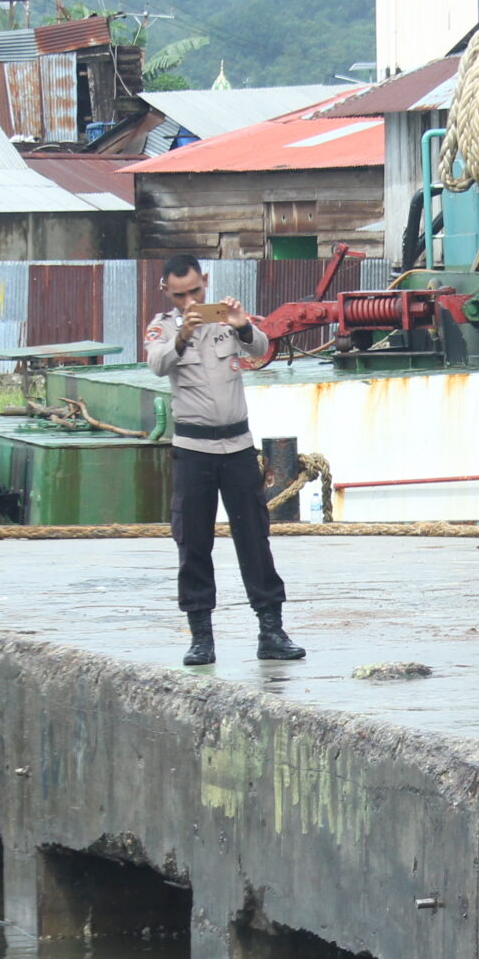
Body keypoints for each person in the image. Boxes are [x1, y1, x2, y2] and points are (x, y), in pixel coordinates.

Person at [145, 254, 304, 667]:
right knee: (193, 541)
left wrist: (242, 325)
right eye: (180, 294)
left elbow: (262, 349)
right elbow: (157, 364)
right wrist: (182, 334)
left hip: (236, 447)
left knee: (254, 537)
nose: (190, 300)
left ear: (206, 282)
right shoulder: (162, 327)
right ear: (166, 291)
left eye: (196, 291)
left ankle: (271, 630)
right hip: (194, 450)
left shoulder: (227, 320)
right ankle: (201, 637)